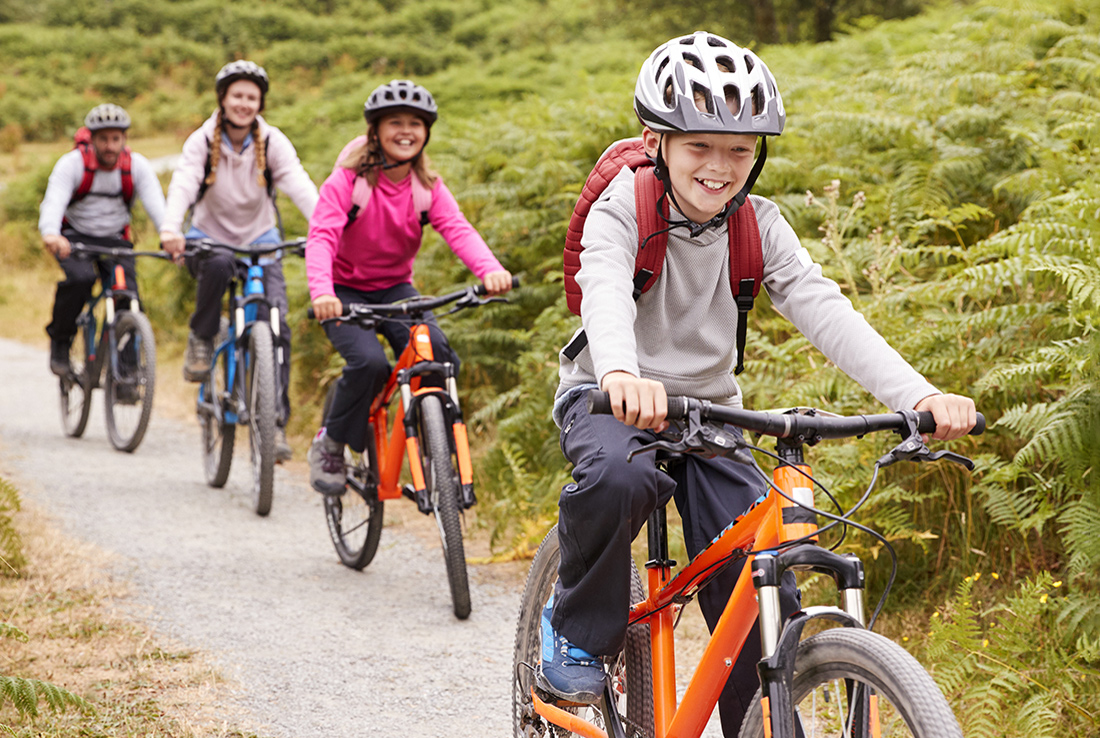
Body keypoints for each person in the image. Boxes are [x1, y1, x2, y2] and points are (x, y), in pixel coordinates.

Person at [541, 31, 977, 736]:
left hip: (709, 415)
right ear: (656, 142)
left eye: (739, 151)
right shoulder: (623, 207)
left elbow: (825, 310)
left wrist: (916, 396)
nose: (720, 168)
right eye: (699, 147)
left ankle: (769, 718)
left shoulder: (758, 225)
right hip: (608, 397)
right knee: (621, 483)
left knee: (757, 564)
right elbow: (603, 287)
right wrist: (621, 372)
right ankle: (573, 632)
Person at [305, 79, 512, 495]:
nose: (406, 131)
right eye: (394, 122)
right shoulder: (348, 182)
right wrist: (323, 292)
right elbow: (322, 236)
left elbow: (459, 230)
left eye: (415, 123)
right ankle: (330, 444)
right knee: (369, 364)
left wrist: (490, 270)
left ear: (426, 132)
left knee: (436, 354)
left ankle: (441, 452)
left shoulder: (426, 187)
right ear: (375, 131)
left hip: (396, 288)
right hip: (343, 291)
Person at [160, 60, 319, 462]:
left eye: (252, 97)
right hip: (209, 236)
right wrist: (170, 228)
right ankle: (202, 336)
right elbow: (183, 182)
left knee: (277, 323)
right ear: (223, 99)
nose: (244, 104)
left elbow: (298, 183)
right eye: (238, 96)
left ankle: (275, 425)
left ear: (260, 102)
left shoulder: (272, 141)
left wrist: (324, 227)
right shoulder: (202, 140)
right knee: (216, 265)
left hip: (261, 237)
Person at [40, 103, 168, 377]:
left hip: (115, 241)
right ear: (91, 139)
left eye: (115, 139)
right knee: (80, 280)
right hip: (75, 239)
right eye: (103, 139)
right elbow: (53, 202)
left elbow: (160, 210)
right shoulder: (72, 164)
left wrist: (171, 236)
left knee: (128, 298)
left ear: (125, 139)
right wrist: (51, 233)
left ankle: (127, 371)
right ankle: (61, 341)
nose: (110, 146)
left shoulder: (137, 167)